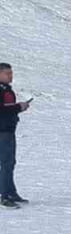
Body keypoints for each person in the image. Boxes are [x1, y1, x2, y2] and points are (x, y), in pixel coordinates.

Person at [0, 63, 30, 208]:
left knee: (10, 163)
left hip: (8, 130)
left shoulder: (6, 89)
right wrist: (19, 107)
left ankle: (10, 192)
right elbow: (3, 110)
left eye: (11, 73)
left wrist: (18, 108)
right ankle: (4, 196)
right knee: (6, 163)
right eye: (7, 73)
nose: (10, 76)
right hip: (3, 131)